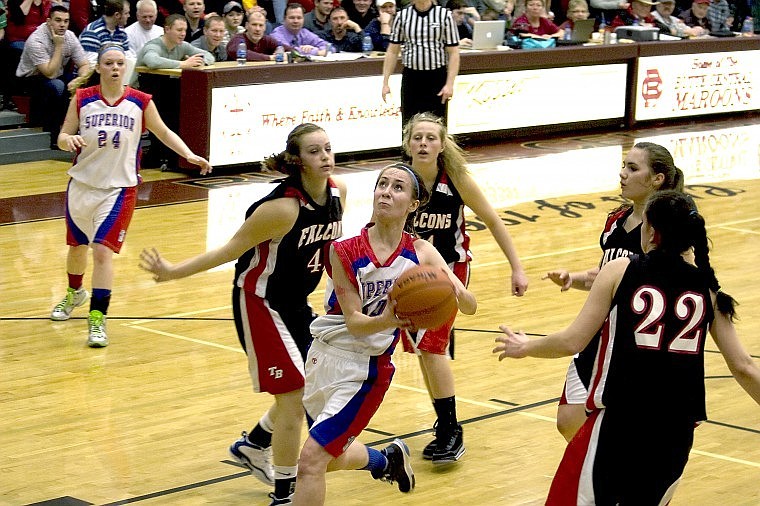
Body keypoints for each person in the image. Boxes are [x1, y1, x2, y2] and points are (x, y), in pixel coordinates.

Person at [494, 190, 760, 504]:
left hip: (620, 425)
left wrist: (525, 346)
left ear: (651, 232)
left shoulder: (621, 270)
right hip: (675, 433)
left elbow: (572, 340)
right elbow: (744, 366)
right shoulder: (709, 291)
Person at [139, 123, 346, 506]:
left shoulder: (338, 193)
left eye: (328, 149)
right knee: (294, 394)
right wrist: (172, 271)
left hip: (297, 304)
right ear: (297, 161)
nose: (325, 157)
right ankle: (284, 493)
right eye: (315, 151)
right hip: (260, 303)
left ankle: (253, 445)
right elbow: (229, 251)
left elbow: (329, 253)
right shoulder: (282, 209)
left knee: (308, 388)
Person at [293, 163, 477, 506]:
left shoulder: (420, 252)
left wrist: (454, 292)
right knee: (328, 458)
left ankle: (384, 461)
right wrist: (393, 317)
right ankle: (386, 460)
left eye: (397, 187)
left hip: (365, 370)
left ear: (413, 204)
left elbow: (470, 306)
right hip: (322, 358)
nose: (386, 192)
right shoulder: (343, 249)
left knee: (310, 462)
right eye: (381, 185)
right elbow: (354, 322)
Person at [52, 43, 211, 347]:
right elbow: (61, 136)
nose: (114, 68)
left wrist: (189, 154)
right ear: (98, 67)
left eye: (119, 63)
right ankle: (75, 292)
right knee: (77, 249)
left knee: (102, 252)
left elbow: (164, 132)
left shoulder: (140, 101)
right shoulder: (83, 98)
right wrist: (67, 140)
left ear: (125, 67)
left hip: (119, 189)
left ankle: (97, 317)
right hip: (82, 186)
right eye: (108, 63)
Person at [401, 112, 528, 464]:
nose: (424, 143)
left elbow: (492, 219)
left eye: (431, 138)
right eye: (418, 137)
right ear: (407, 143)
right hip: (409, 273)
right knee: (426, 352)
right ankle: (445, 424)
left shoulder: (454, 178)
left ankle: (450, 429)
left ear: (442, 145)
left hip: (450, 270)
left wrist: (517, 267)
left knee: (431, 347)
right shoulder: (399, 180)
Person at [544, 142, 685, 442]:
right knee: (569, 420)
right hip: (599, 336)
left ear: (657, 179)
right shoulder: (615, 222)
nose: (622, 174)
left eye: (633, 168)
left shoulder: (668, 231)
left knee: (618, 432)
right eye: (623, 166)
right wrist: (575, 278)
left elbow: (684, 283)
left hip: (638, 345)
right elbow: (606, 275)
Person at [136, 13, 213, 168]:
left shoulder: (182, 45)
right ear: (167, 29)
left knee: (181, 107)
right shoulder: (154, 45)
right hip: (141, 90)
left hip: (164, 90)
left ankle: (171, 158)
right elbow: (152, 61)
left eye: (184, 30)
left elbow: (209, 56)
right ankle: (158, 157)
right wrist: (183, 64)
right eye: (179, 30)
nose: (183, 34)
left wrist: (199, 61)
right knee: (168, 112)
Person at [15, 4, 90, 147]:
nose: (62, 25)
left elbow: (84, 65)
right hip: (29, 78)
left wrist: (80, 81)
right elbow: (49, 73)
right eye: (58, 20)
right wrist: (59, 46)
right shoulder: (36, 40)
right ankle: (54, 135)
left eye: (66, 21)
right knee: (57, 86)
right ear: (49, 21)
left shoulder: (70, 36)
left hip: (56, 74)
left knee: (79, 85)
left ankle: (75, 132)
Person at [381, 0, 459, 126]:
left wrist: (450, 84)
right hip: (411, 77)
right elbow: (392, 51)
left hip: (437, 77)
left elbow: (454, 52)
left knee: (437, 124)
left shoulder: (444, 15)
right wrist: (385, 82)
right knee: (409, 124)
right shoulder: (402, 16)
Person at [78, 0, 130, 66]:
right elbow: (91, 65)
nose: (129, 16)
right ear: (117, 15)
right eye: (126, 13)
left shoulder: (121, 32)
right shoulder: (92, 32)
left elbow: (128, 57)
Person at [226, 10, 291, 61]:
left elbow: (291, 50)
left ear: (265, 27)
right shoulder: (238, 39)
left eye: (261, 25)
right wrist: (270, 57)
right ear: (246, 26)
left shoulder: (267, 40)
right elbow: (237, 52)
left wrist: (286, 54)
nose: (257, 29)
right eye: (254, 25)